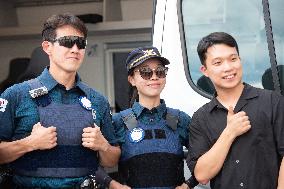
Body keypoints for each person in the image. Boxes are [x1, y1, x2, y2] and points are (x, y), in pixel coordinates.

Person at [0, 13, 120, 188]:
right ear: (47, 47)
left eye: (81, 43)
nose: (75, 49)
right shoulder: (16, 95)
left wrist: (103, 146)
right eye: (67, 42)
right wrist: (29, 143)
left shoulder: (97, 100)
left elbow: (112, 159)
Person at [187, 32, 284, 189]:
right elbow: (202, 175)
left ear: (240, 60)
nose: (228, 67)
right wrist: (229, 132)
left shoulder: (272, 102)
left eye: (233, 59)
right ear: (205, 70)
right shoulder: (201, 118)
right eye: (218, 63)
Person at [103, 46, 198, 189]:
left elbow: (204, 159)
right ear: (132, 79)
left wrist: (189, 185)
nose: (154, 77)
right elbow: (90, 163)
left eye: (160, 71)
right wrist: (112, 185)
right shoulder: (119, 121)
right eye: (145, 72)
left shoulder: (179, 119)